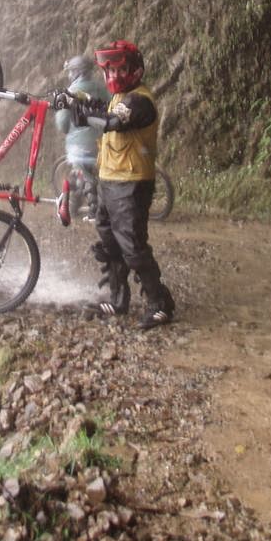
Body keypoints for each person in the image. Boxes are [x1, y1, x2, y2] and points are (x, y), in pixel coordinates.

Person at [64, 39, 176, 331]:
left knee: (132, 245)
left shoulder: (140, 100)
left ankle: (160, 303)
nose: (112, 77)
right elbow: (103, 109)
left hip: (132, 185)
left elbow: (114, 122)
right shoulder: (117, 98)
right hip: (109, 181)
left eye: (120, 70)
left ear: (135, 70)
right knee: (110, 242)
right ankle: (118, 298)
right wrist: (76, 102)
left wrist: (85, 114)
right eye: (108, 72)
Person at [54, 55, 108, 218]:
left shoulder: (69, 93)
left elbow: (63, 123)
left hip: (79, 145)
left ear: (77, 72)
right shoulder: (101, 89)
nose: (69, 75)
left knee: (83, 175)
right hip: (102, 142)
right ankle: (73, 208)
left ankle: (94, 211)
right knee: (82, 175)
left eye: (71, 71)